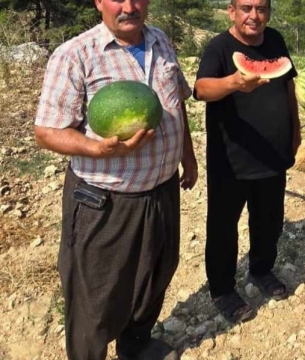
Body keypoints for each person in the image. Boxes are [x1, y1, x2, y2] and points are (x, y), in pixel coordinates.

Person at [33, 0, 197, 359]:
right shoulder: (75, 54)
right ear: (98, 3)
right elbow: (46, 132)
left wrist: (188, 155)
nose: (128, 6)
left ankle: (135, 346)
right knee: (96, 298)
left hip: (162, 189)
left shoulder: (161, 42)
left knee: (154, 276)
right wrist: (98, 149)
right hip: (105, 200)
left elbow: (176, 103)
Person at [193, 0, 300, 324]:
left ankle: (261, 269)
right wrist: (234, 83)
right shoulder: (220, 47)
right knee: (224, 228)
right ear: (232, 12)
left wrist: (295, 131)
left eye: (261, 8)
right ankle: (222, 289)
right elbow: (201, 88)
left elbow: (288, 84)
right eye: (246, 8)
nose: (254, 16)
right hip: (231, 160)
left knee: (269, 220)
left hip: (272, 154)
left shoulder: (276, 40)